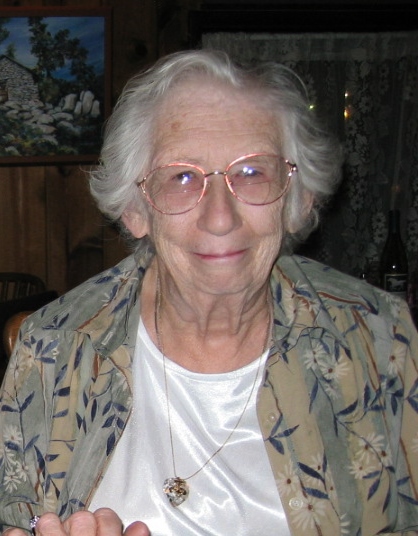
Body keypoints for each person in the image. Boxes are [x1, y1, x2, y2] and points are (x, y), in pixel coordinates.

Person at [1, 49, 418, 536]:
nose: (220, 217)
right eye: (182, 177)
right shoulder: (54, 348)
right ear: (135, 210)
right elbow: (16, 514)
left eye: (252, 172)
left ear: (298, 200)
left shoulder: (380, 337)